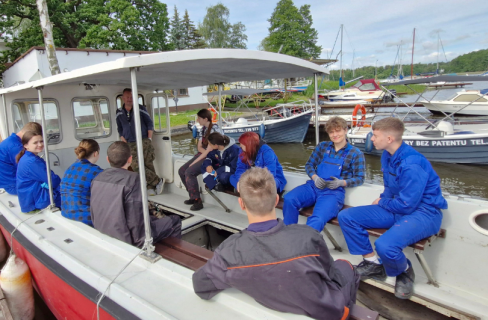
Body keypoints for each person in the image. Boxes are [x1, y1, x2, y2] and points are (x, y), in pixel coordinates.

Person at [192, 167, 359, 319]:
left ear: (241, 204)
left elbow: (200, 285)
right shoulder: (309, 237)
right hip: (329, 312)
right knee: (345, 265)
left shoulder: (228, 252)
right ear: (276, 199)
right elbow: (331, 277)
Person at [338, 117, 448, 299]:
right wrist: (384, 199)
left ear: (389, 139)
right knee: (347, 216)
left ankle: (404, 270)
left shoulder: (412, 164)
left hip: (424, 213)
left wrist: (381, 202)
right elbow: (389, 188)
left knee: (385, 245)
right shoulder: (387, 156)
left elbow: (407, 204)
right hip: (398, 207)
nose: (371, 139)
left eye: (375, 135)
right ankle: (372, 263)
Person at [90, 141, 181, 247]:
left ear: (108, 159)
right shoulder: (133, 179)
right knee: (175, 220)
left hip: (103, 231)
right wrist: (140, 242)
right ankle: (171, 257)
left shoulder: (98, 178)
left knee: (153, 219)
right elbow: (135, 217)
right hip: (126, 239)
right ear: (130, 159)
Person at [282, 117, 365, 232]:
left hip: (333, 192)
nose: (335, 134)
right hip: (313, 186)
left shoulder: (355, 153)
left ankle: (306, 244)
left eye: (338, 131)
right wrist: (315, 177)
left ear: (345, 130)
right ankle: (288, 233)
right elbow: (309, 165)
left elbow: (360, 178)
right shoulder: (322, 146)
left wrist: (341, 182)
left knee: (318, 218)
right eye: (331, 132)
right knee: (289, 198)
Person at [116, 88, 163, 196]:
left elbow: (149, 124)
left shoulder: (141, 109)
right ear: (123, 98)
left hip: (143, 140)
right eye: (127, 97)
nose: (129, 99)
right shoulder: (119, 112)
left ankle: (150, 187)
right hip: (130, 143)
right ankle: (157, 181)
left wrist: (149, 139)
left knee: (148, 163)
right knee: (135, 166)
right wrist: (124, 141)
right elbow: (120, 128)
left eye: (132, 97)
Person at [179, 109, 223, 211]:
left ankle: (198, 202)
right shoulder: (202, 129)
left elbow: (210, 151)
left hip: (212, 158)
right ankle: (192, 195)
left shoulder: (215, 130)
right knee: (181, 171)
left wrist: (194, 162)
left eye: (199, 118)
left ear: (205, 119)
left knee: (189, 172)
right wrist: (203, 152)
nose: (197, 120)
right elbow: (199, 147)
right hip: (204, 154)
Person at [60, 139, 103, 226]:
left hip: (65, 213)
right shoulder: (97, 171)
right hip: (86, 218)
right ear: (96, 153)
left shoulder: (69, 168)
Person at [0, 122, 43, 194]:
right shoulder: (16, 147)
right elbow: (29, 170)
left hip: (9, 181)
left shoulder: (12, 140)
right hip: (13, 186)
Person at [16, 131, 61, 213]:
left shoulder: (26, 157)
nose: (40, 145)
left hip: (28, 199)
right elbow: (53, 181)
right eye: (35, 143)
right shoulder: (32, 162)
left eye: (41, 141)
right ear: (26, 145)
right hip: (36, 202)